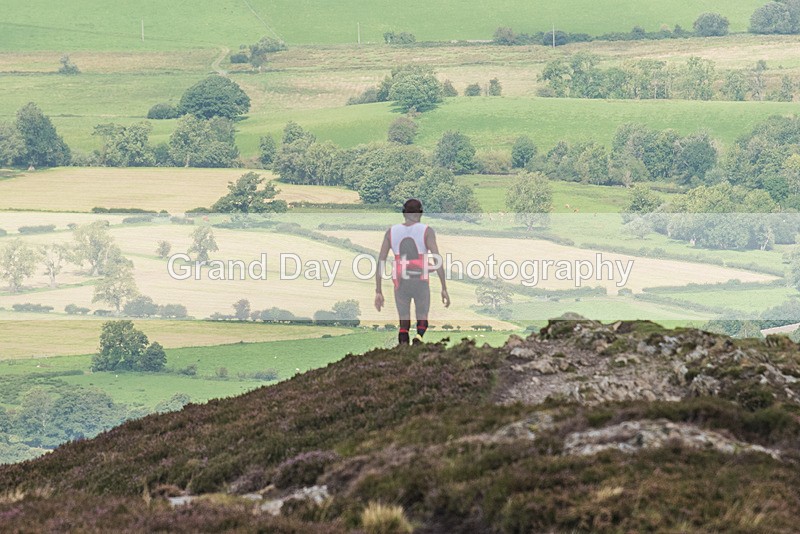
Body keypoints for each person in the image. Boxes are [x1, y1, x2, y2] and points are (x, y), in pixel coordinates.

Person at [374, 198, 450, 345]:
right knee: (422, 315)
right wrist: (444, 288)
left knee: (403, 320)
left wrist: (378, 290)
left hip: (401, 282)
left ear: (403, 213)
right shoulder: (426, 231)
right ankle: (418, 338)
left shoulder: (391, 232)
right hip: (420, 281)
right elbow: (437, 259)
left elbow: (381, 261)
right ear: (420, 213)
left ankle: (403, 348)